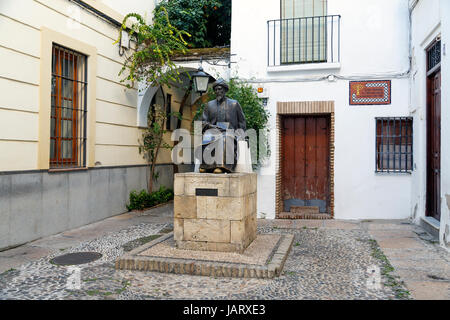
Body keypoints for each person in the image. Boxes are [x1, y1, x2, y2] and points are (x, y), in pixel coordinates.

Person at [198, 79, 247, 173]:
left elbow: (242, 121)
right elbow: (203, 122)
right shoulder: (209, 105)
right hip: (213, 130)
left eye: (219, 89)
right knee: (208, 137)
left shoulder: (234, 104)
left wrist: (241, 134)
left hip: (229, 132)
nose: (217, 91)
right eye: (216, 90)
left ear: (224, 90)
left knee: (224, 138)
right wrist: (211, 127)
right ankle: (206, 166)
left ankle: (221, 166)